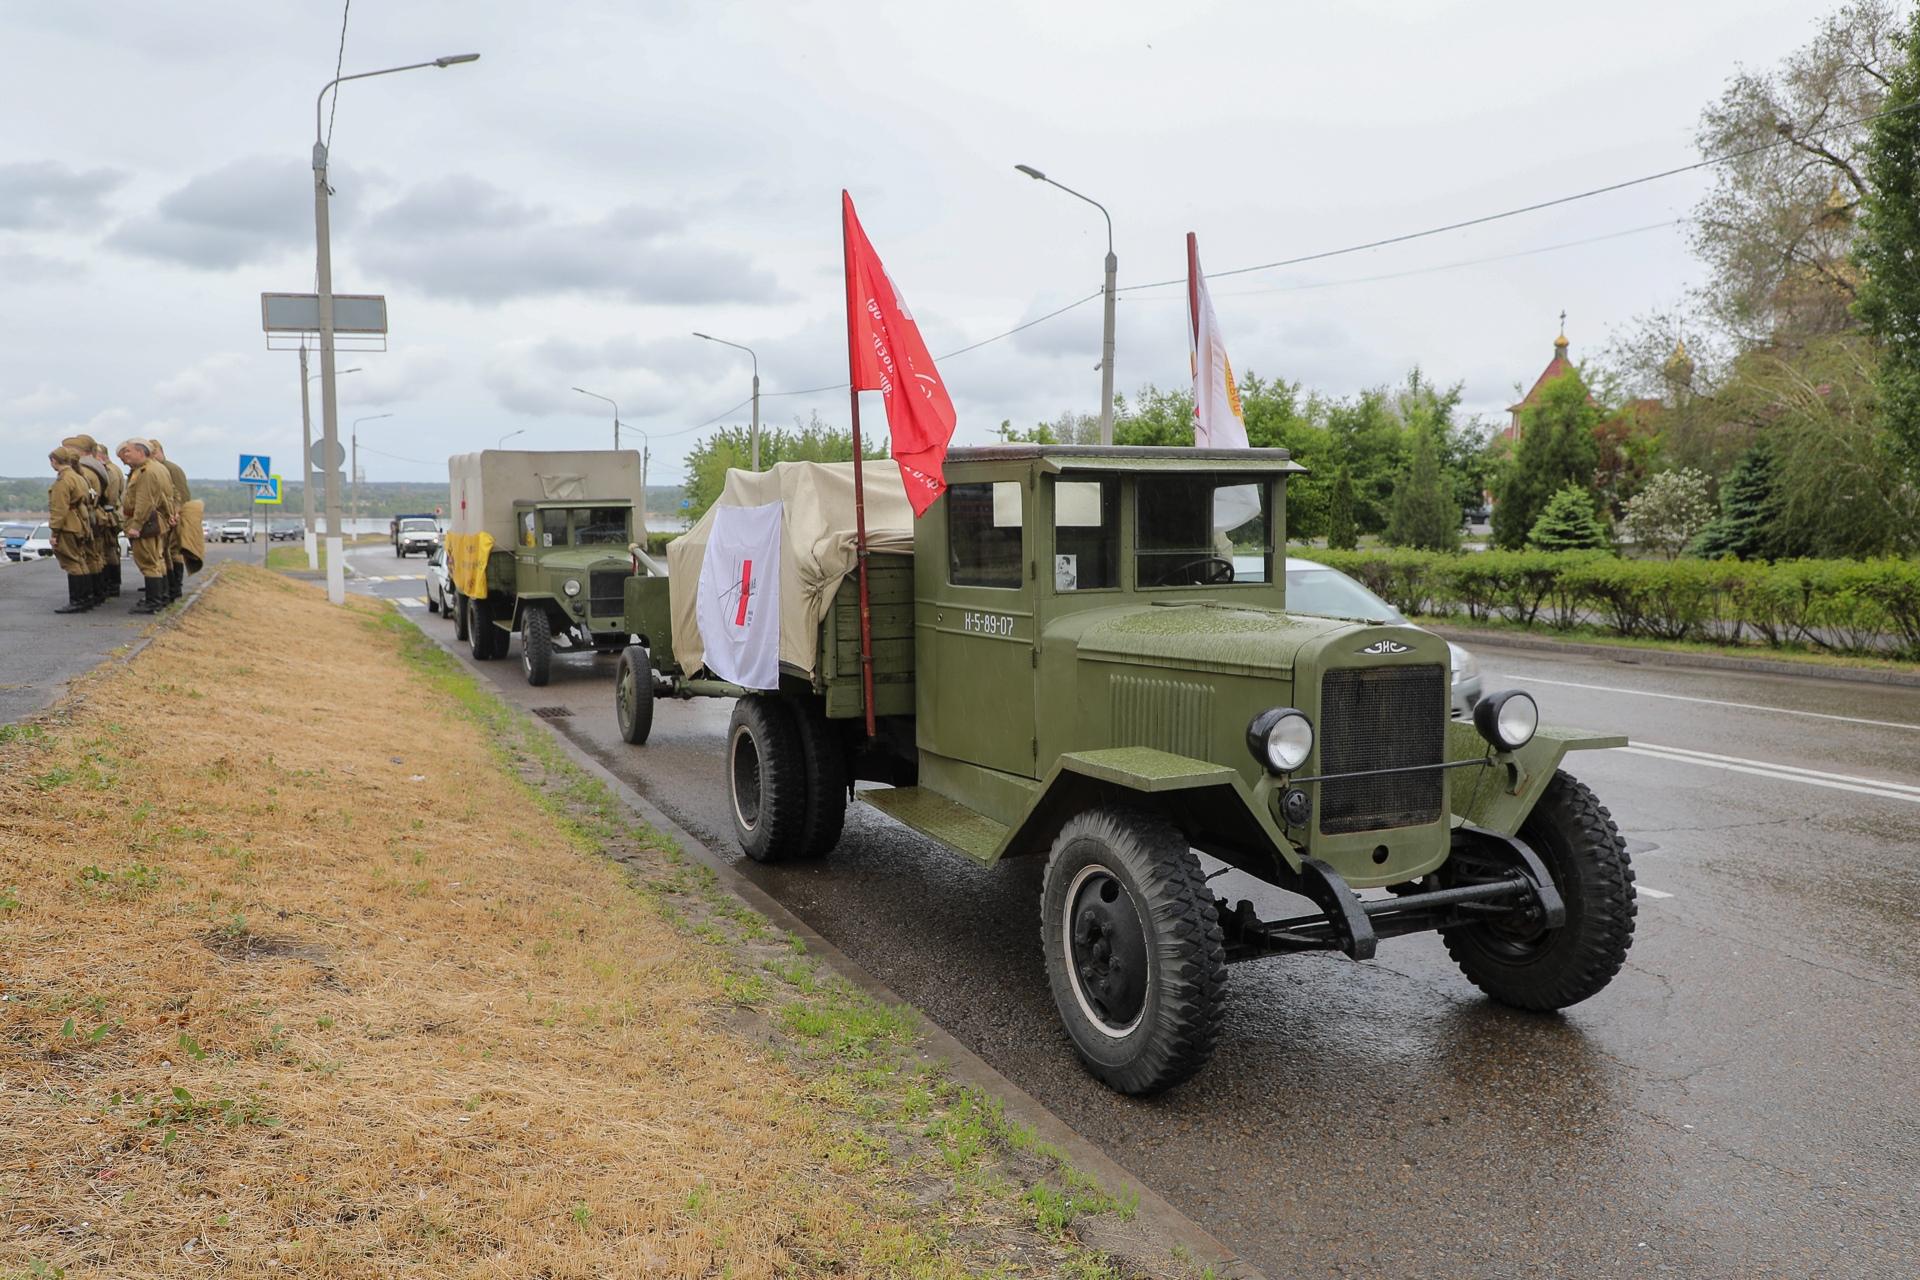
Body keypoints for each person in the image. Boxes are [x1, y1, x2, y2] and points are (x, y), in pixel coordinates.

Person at [118, 438, 175, 614]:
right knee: (157, 560)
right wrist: (169, 514)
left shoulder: (147, 472)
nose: (125, 455)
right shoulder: (158, 468)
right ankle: (161, 597)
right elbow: (165, 496)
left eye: (128, 451)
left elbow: (145, 501)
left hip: (147, 522)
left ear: (140, 452)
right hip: (156, 520)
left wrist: (136, 525)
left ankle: (154, 602)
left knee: (148, 562)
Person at [63, 433, 119, 599]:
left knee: (88, 556)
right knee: (95, 555)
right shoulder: (98, 468)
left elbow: (82, 495)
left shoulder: (84, 471)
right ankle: (97, 592)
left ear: (79, 451)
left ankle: (89, 594)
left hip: (88, 515)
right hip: (97, 513)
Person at [48, 447, 99, 613]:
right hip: (79, 522)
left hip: (68, 525)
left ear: (55, 461)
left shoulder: (64, 480)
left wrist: (54, 531)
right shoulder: (78, 477)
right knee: (80, 560)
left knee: (72, 562)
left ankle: (77, 601)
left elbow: (59, 508)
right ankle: (86, 598)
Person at [148, 439, 191, 602]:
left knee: (173, 552)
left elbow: (182, 494)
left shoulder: (171, 469)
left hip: (174, 516)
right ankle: (166, 587)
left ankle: (174, 588)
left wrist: (178, 514)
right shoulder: (156, 469)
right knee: (164, 553)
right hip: (164, 517)